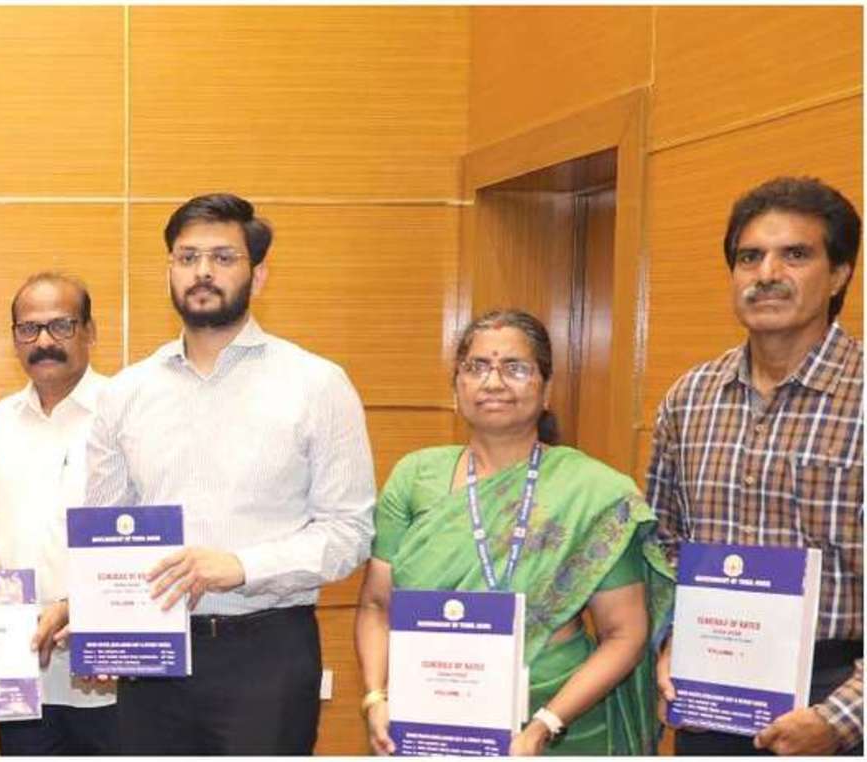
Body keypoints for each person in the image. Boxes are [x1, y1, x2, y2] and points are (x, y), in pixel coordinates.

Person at [66, 193, 376, 754]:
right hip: (152, 656)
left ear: (258, 275)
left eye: (223, 257)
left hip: (267, 653)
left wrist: (241, 566)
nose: (202, 271)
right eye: (187, 258)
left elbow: (349, 532)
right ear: (169, 271)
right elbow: (105, 531)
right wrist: (103, 628)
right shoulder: (127, 392)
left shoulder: (317, 385)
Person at [355, 308, 673, 755]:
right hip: (433, 712)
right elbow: (376, 604)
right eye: (476, 367)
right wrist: (375, 697)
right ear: (456, 386)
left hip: (560, 720)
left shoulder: (594, 492)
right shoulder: (415, 476)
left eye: (515, 368)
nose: (494, 382)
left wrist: (545, 725)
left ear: (546, 389)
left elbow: (625, 633)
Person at [648, 176, 862, 756]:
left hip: (835, 697)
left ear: (839, 274)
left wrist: (842, 718)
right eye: (749, 257)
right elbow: (662, 546)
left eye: (795, 255)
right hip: (708, 689)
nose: (767, 273)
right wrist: (669, 645)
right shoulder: (689, 398)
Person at [0, 273, 118, 755]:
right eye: (29, 329)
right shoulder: (1, 418)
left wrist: (82, 604)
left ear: (90, 331)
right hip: (18, 665)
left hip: (103, 663)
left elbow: (143, 537)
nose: (44, 341)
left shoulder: (123, 410)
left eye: (61, 326)